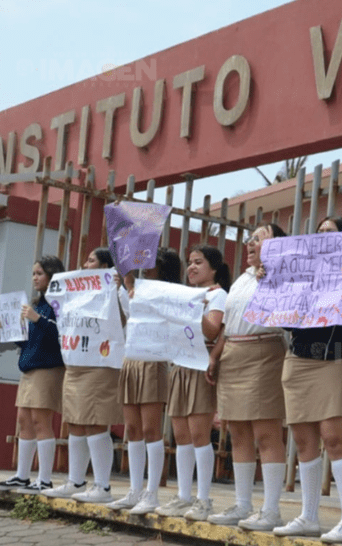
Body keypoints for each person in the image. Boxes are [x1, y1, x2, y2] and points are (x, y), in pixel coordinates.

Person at [276, 215, 342, 544]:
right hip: (299, 356)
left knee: (335, 438)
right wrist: (272, 281)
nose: (322, 237)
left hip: (339, 355)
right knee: (303, 441)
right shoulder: (301, 274)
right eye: (318, 233)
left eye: (330, 233)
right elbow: (281, 314)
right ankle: (309, 517)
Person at [206, 224, 288, 530]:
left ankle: (271, 510)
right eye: (250, 239)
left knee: (266, 431)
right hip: (233, 356)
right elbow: (229, 324)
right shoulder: (243, 278)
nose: (251, 243)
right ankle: (242, 504)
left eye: (259, 238)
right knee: (237, 431)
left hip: (263, 353)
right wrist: (215, 356)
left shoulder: (281, 275)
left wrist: (275, 264)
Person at [143, 245, 228, 518]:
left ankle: (203, 499)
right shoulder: (185, 293)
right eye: (189, 262)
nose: (191, 267)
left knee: (200, 434)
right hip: (179, 364)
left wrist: (194, 308)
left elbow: (213, 329)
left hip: (200, 365)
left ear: (213, 269)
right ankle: (183, 496)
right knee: (181, 435)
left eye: (199, 262)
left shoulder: (218, 295)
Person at [107, 249, 181, 512]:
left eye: (151, 267)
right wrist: (126, 286)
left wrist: (132, 288)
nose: (145, 271)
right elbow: (129, 315)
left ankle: (152, 493)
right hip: (131, 359)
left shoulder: (169, 293)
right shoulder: (136, 288)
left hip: (153, 361)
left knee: (151, 430)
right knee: (133, 429)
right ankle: (134, 490)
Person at [48, 249, 125, 503]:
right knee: (75, 421)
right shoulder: (77, 291)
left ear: (105, 265)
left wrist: (119, 287)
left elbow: (127, 315)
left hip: (99, 363)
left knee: (94, 420)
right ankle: (76, 481)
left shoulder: (115, 287)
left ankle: (102, 486)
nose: (84, 264)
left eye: (91, 260)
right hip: (76, 363)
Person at [0, 256, 65, 493]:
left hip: (47, 368)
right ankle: (22, 475)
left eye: (40, 273)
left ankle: (44, 478)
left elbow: (61, 337)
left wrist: (38, 320)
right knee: (24, 420)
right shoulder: (36, 305)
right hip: (29, 367)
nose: (35, 278)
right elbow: (28, 342)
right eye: (33, 273)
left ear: (52, 276)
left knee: (40, 420)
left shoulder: (58, 304)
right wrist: (9, 329)